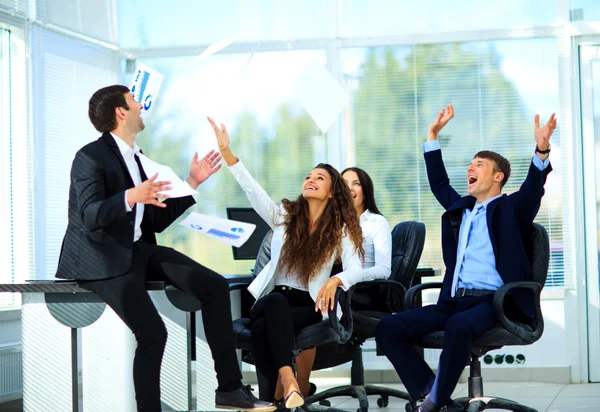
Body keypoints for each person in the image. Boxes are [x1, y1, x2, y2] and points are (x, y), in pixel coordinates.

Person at [55, 85, 275, 412]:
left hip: (138, 249)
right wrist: (131, 196)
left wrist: (191, 183)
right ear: (120, 112)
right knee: (153, 333)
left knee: (214, 286)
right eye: (134, 102)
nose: (140, 106)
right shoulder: (90, 157)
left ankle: (228, 388)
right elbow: (89, 217)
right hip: (101, 258)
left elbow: (154, 222)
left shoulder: (137, 159)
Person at [375, 104, 556, 412]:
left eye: (479, 164)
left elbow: (532, 190)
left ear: (498, 176)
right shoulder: (461, 208)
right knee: (388, 328)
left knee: (459, 326)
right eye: (470, 164)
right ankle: (433, 393)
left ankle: (435, 403)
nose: (471, 168)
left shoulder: (512, 209)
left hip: (493, 303)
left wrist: (541, 150)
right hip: (454, 300)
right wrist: (432, 136)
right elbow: (439, 185)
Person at [208, 117, 366, 409]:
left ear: (332, 192)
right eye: (309, 176)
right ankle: (291, 383)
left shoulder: (341, 229)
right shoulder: (284, 217)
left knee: (260, 330)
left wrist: (335, 280)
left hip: (308, 305)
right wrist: (227, 153)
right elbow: (254, 192)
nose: (311, 180)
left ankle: (270, 399)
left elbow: (357, 267)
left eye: (320, 178)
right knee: (274, 303)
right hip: (273, 299)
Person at [291, 166, 393, 399]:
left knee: (305, 312)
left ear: (365, 190)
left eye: (355, 183)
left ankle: (297, 387)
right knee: (293, 306)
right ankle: (296, 386)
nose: (349, 188)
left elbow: (384, 270)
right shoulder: (331, 224)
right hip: (329, 291)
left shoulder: (376, 223)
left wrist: (341, 280)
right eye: (344, 184)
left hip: (361, 293)